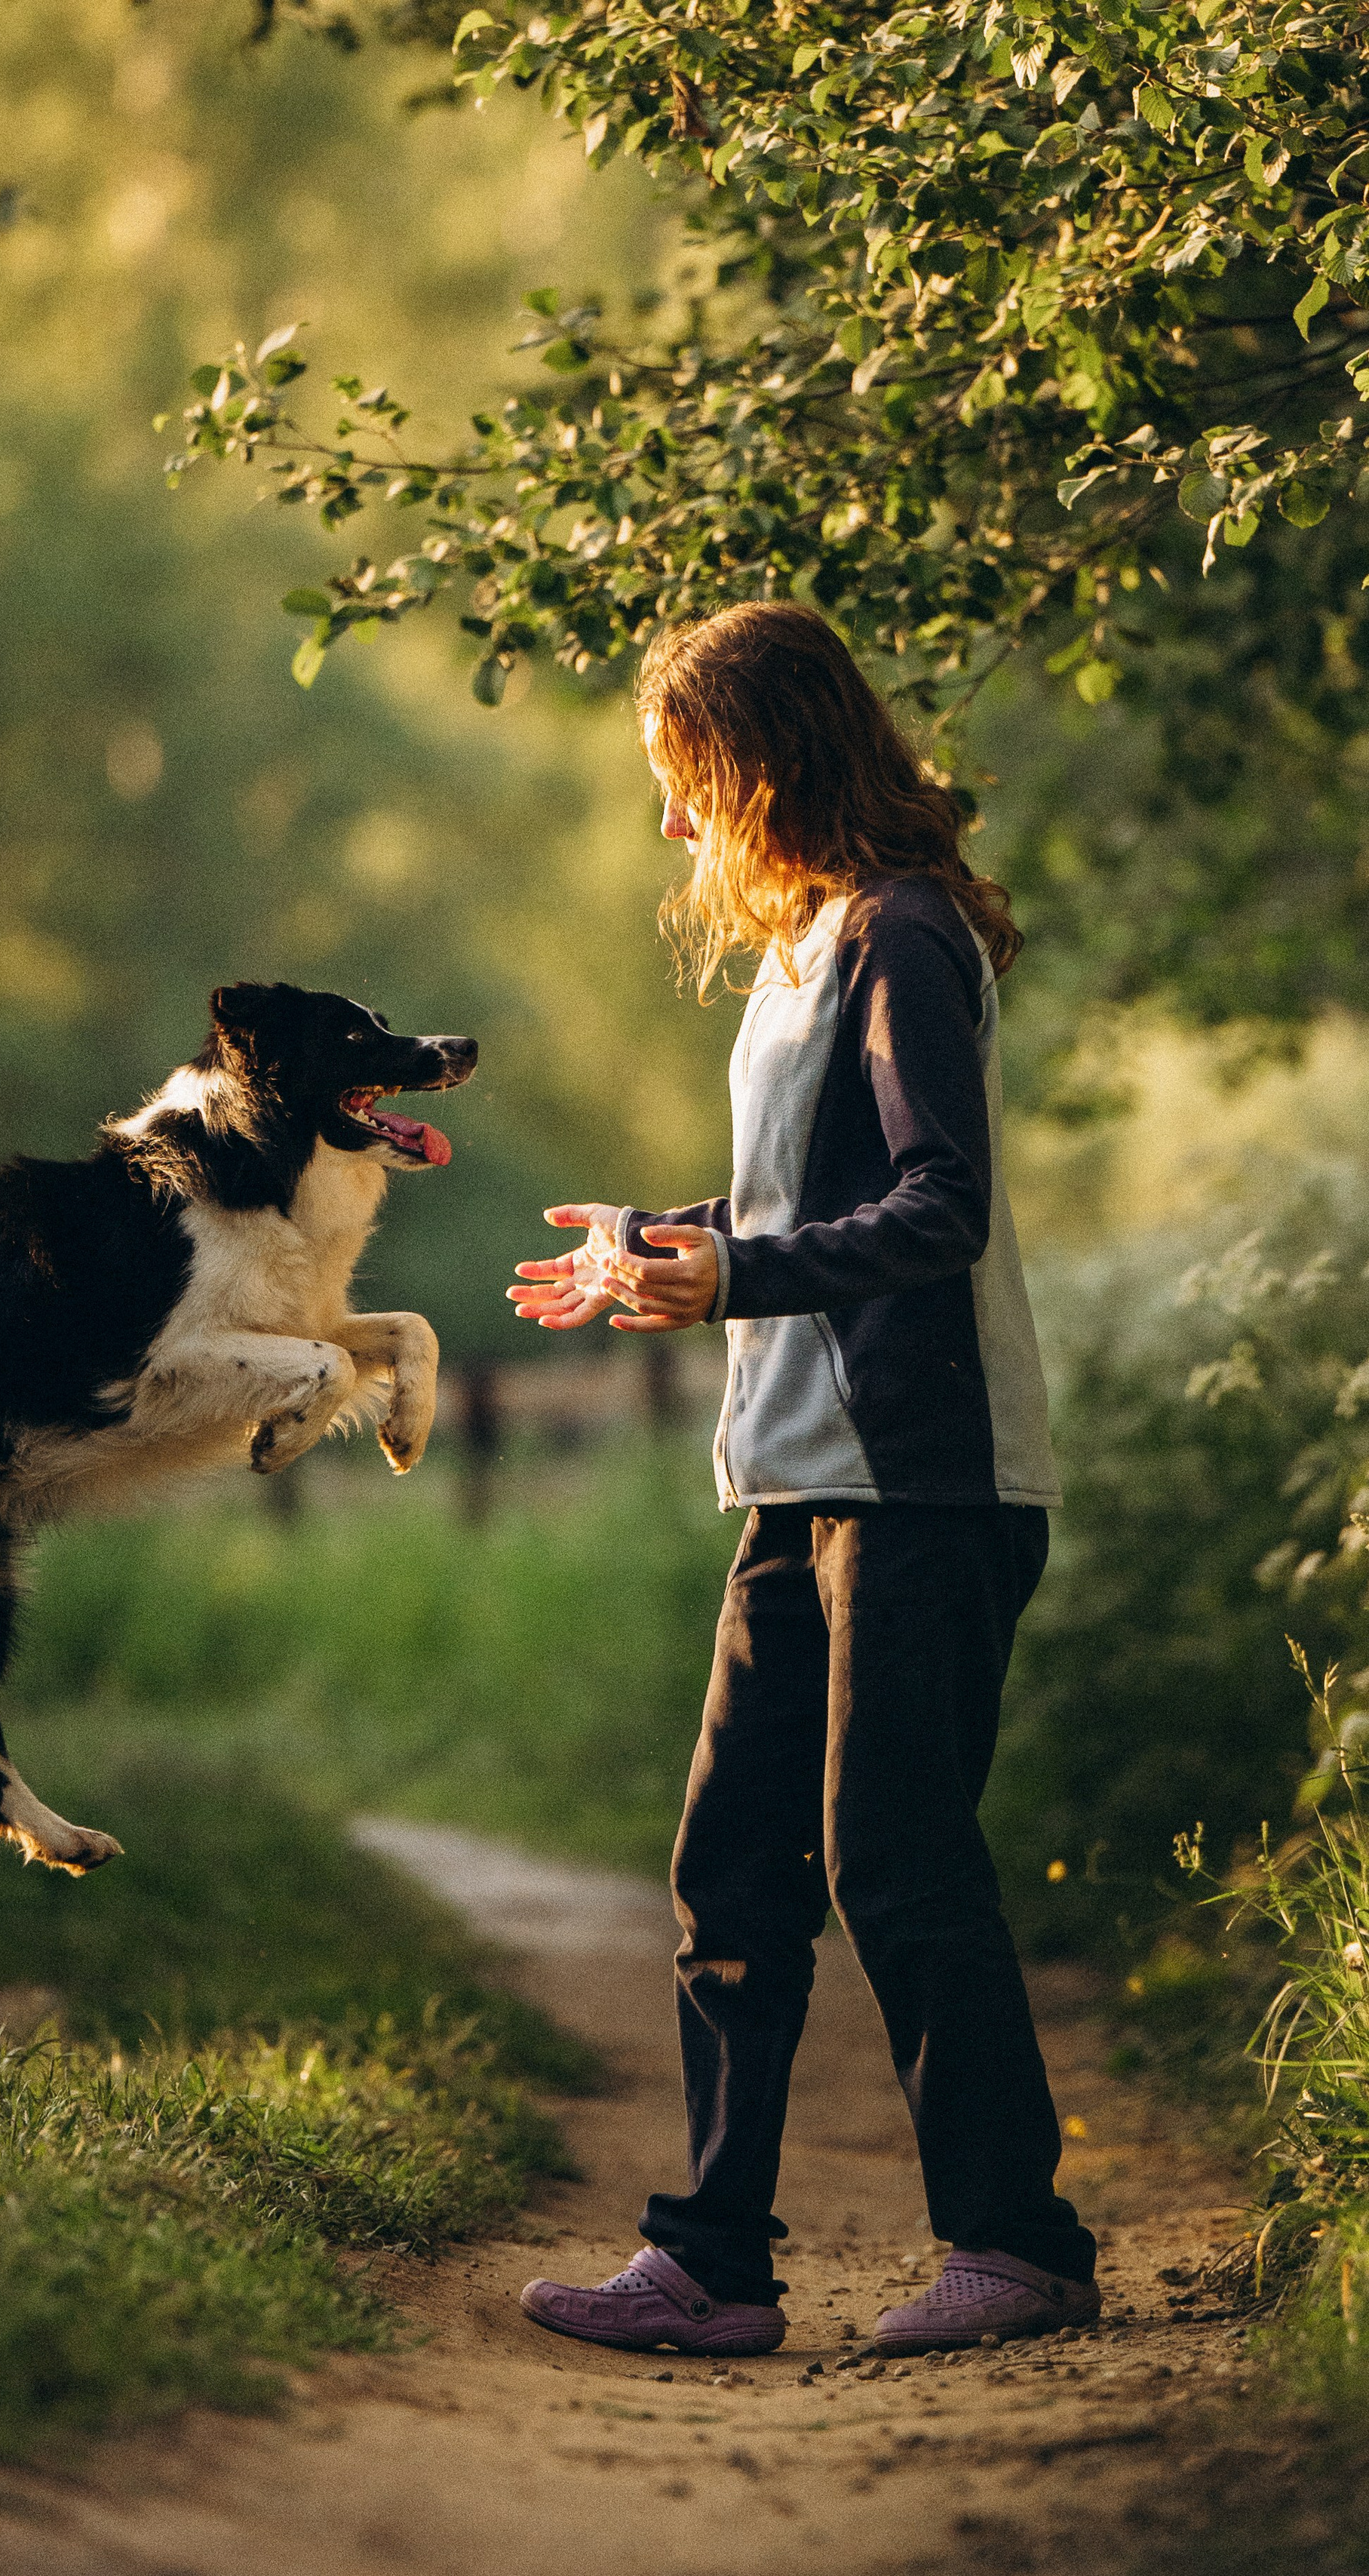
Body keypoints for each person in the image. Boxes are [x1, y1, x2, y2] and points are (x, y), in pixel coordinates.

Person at [508, 602, 1097, 2360]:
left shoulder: (903, 933)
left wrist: (734, 1276)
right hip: (789, 1474)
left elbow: (936, 1207)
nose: (671, 821)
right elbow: (796, 1200)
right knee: (731, 1869)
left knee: (893, 1860)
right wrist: (663, 1241)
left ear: (761, 762)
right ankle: (709, 2262)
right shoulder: (809, 944)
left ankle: (1015, 2247)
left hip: (923, 1481)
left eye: (683, 779)